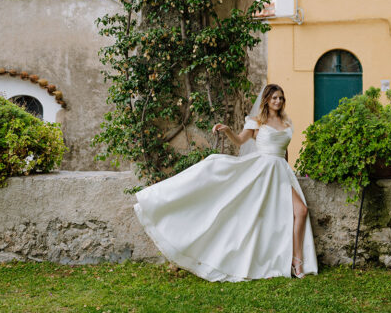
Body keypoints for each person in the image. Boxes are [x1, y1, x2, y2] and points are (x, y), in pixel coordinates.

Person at [133, 84, 317, 281]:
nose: (278, 101)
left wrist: (287, 173)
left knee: (301, 211)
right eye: (274, 98)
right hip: (262, 172)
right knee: (253, 217)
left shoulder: (286, 123)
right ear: (266, 100)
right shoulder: (256, 123)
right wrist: (227, 130)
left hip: (281, 173)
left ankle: (296, 260)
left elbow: (284, 152)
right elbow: (239, 141)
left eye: (280, 98)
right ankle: (258, 259)